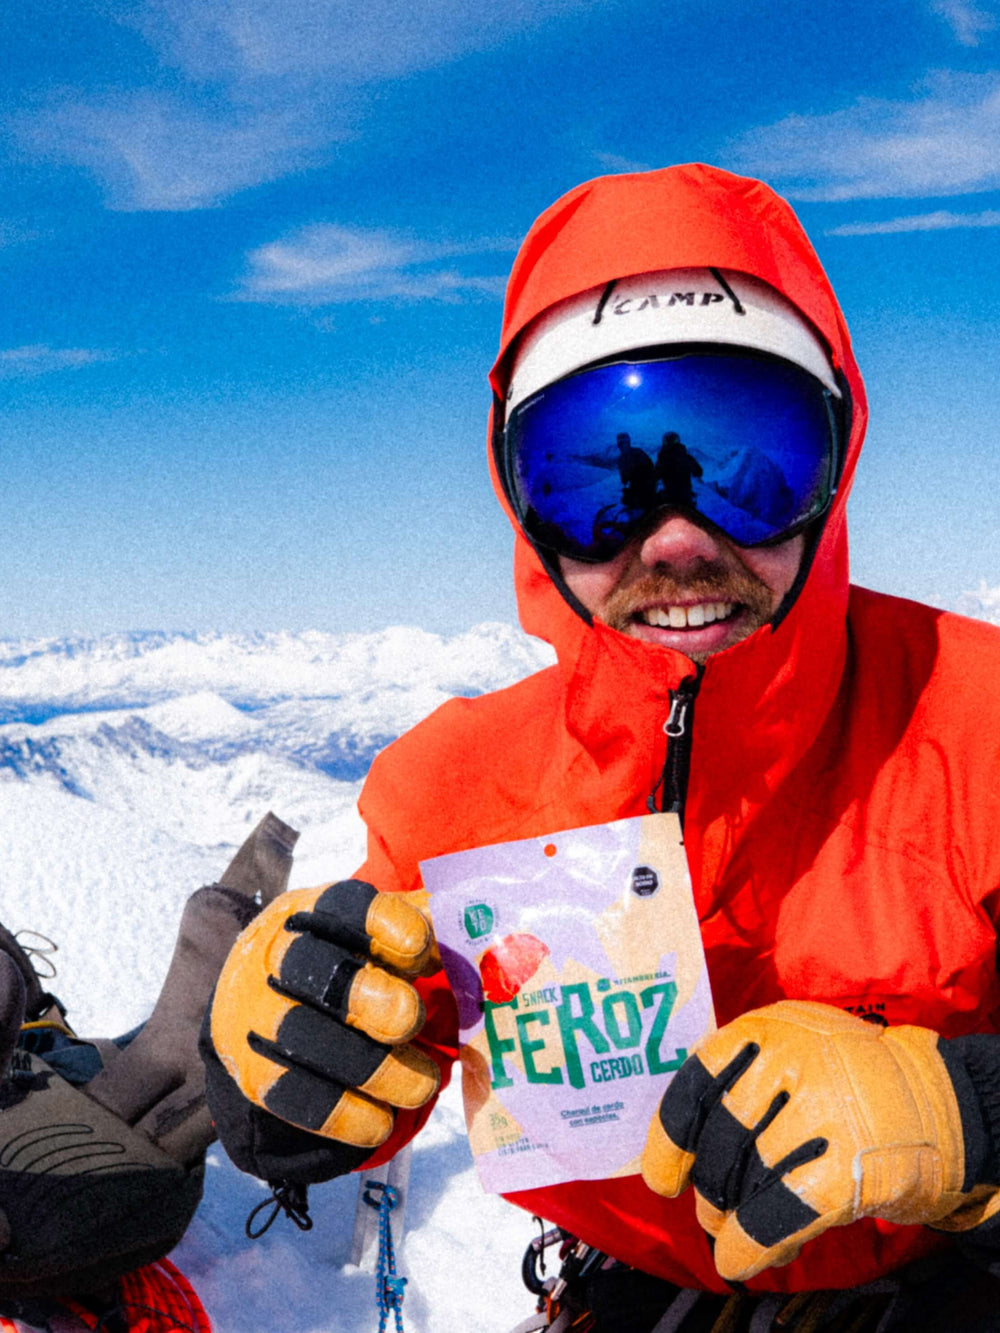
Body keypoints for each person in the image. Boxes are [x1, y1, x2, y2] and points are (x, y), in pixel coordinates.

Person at [200, 164, 1000, 1331]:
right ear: (519, 505)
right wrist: (280, 1067)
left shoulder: (975, 721)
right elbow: (342, 1077)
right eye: (601, 481)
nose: (675, 539)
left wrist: (972, 1107)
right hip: (629, 1296)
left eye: (746, 460)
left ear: (837, 458)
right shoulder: (455, 787)